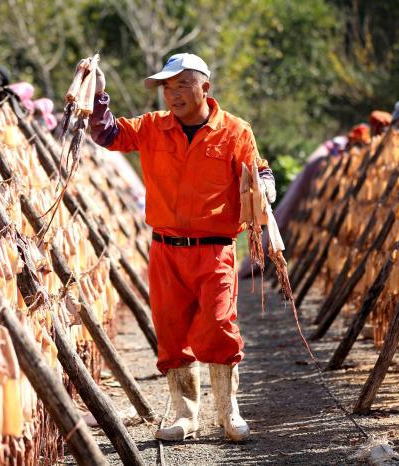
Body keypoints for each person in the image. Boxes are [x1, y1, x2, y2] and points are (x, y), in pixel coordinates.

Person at [89, 53, 276, 442]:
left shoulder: (235, 131)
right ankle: (184, 414)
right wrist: (98, 95)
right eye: (166, 88)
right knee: (171, 332)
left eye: (180, 86)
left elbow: (258, 169)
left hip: (215, 249)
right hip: (166, 250)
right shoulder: (153, 127)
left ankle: (229, 413)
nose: (171, 95)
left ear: (204, 88)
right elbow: (107, 135)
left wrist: (265, 185)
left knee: (220, 326)